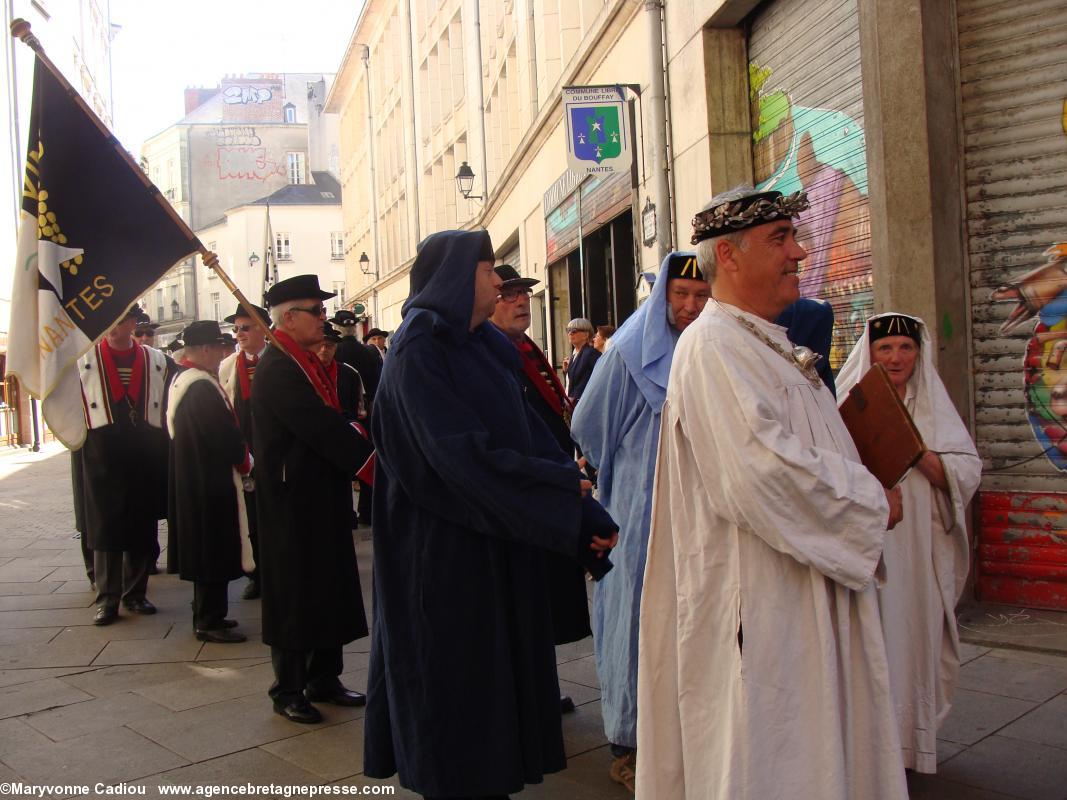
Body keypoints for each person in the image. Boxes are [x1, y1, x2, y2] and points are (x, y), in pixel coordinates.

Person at [635, 186, 908, 800]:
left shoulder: (764, 342)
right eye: (780, 239)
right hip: (763, 600)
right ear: (728, 256)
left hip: (801, 586)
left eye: (793, 237)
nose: (799, 252)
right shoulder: (713, 347)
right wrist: (869, 501)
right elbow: (759, 473)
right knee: (774, 760)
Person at [363, 229, 619, 800]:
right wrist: (559, 490)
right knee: (454, 705)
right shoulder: (418, 350)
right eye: (487, 271)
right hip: (445, 557)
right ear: (455, 278)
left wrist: (581, 512)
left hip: (492, 546)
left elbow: (529, 437)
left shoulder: (480, 343)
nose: (500, 282)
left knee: (492, 705)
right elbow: (460, 459)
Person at [569, 251, 710, 791]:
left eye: (701, 297)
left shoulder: (705, 346)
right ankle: (628, 741)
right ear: (662, 296)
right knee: (633, 613)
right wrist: (624, 476)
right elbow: (589, 424)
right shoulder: (631, 349)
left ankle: (678, 732)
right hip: (638, 503)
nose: (691, 307)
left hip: (690, 505)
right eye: (681, 296)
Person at [837, 313, 981, 773]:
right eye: (885, 349)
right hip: (867, 550)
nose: (896, 357)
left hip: (918, 553)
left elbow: (964, 473)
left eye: (905, 347)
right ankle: (864, 751)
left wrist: (915, 448)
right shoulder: (846, 406)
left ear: (919, 353)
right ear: (871, 353)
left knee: (911, 643)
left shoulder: (933, 409)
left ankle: (905, 750)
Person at [252, 275, 374, 725]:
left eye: (324, 310)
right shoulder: (279, 365)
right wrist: (374, 466)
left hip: (321, 492)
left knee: (329, 583)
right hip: (292, 499)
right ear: (289, 317)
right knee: (295, 591)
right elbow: (319, 427)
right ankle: (287, 687)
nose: (324, 318)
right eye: (316, 311)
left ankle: (324, 676)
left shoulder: (304, 359)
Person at [488, 263, 591, 713]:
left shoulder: (524, 347)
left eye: (523, 293)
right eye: (507, 294)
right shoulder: (490, 352)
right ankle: (524, 692)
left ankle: (540, 686)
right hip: (526, 494)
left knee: (545, 599)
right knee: (525, 600)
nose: (519, 300)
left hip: (551, 485)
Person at [72, 304, 170, 625]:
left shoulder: (155, 360)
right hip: (101, 455)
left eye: (121, 320)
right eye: (109, 321)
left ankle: (137, 593)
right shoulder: (84, 360)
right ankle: (108, 599)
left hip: (143, 452)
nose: (114, 327)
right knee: (105, 528)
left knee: (142, 525)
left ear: (132, 322)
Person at [166, 321, 254, 644]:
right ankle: (207, 619)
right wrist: (245, 459)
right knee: (210, 552)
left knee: (209, 551)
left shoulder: (187, 381)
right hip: (208, 482)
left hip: (198, 479)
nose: (222, 354)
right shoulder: (200, 387)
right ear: (204, 350)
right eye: (218, 348)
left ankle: (211, 612)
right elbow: (222, 435)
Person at [219, 302, 271, 601]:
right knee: (250, 516)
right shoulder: (228, 365)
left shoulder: (279, 359)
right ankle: (257, 575)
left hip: (273, 447)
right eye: (236, 329)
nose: (239, 334)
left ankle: (277, 568)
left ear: (263, 329)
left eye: (246, 328)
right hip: (246, 449)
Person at [330, 309, 379, 526]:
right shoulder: (368, 353)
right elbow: (377, 384)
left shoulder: (335, 353)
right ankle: (367, 510)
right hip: (364, 414)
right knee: (366, 462)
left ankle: (347, 513)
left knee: (341, 467)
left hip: (339, 414)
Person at [318, 324, 367, 422]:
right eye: (320, 345)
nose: (324, 350)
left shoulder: (350, 374)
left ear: (335, 348)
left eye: (329, 346)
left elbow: (358, 410)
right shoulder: (302, 372)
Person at [562, 318, 598, 403]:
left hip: (585, 404)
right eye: (568, 330)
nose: (570, 333)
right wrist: (566, 371)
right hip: (572, 405)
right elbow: (572, 383)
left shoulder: (590, 353)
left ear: (586, 335)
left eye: (574, 331)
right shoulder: (574, 355)